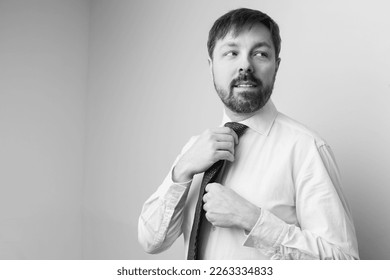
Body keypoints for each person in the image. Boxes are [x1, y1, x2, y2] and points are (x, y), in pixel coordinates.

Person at [138, 8, 359, 260]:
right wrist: (183, 170)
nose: (245, 64)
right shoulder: (194, 150)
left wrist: (253, 220)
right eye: (231, 53)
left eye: (260, 54)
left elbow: (345, 264)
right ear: (211, 65)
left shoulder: (306, 149)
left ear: (275, 66)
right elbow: (150, 241)